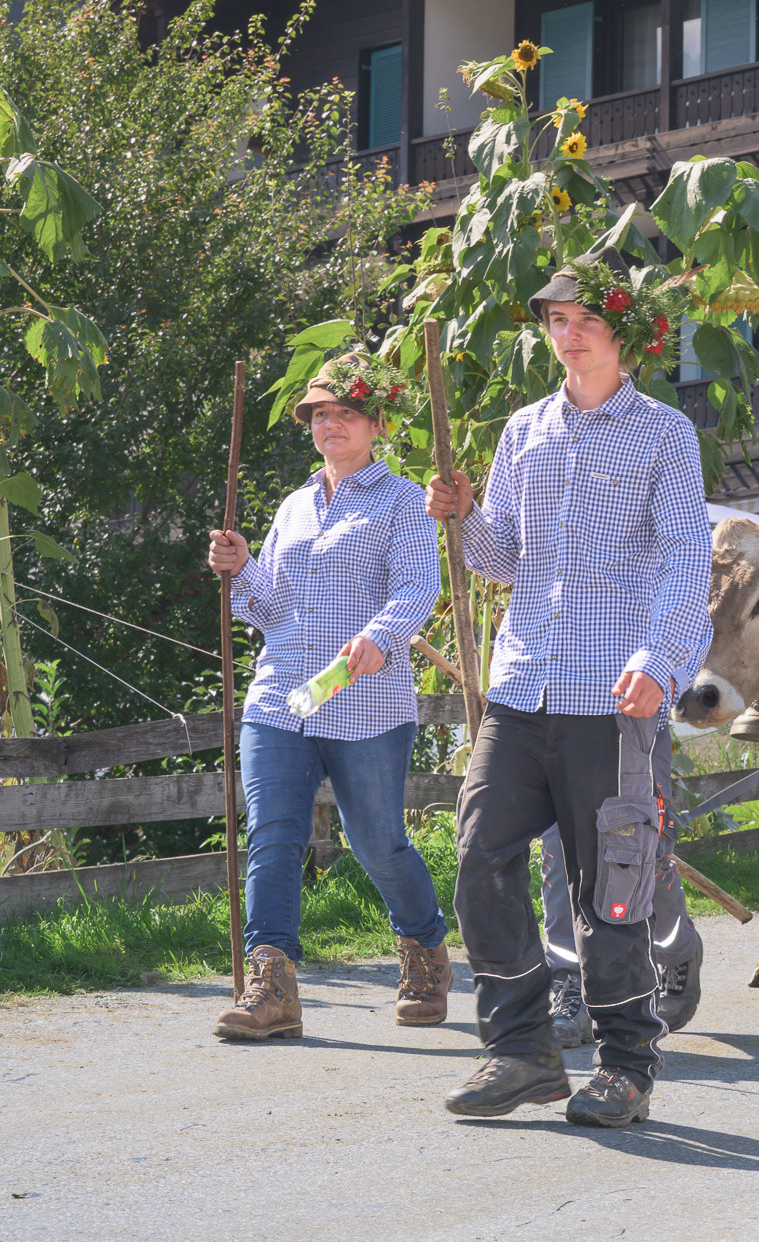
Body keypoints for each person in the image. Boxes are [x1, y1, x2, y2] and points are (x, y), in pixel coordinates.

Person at [424, 266, 712, 1129]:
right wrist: (464, 515)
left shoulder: (664, 434)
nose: (569, 331)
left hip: (615, 697)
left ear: (624, 334)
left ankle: (628, 1065)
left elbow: (683, 565)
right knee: (481, 856)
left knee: (610, 888)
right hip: (523, 685)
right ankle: (521, 1050)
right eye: (556, 318)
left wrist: (661, 660)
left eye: (586, 317)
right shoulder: (526, 431)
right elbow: (501, 557)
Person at [207, 353, 448, 1041]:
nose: (330, 423)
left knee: (377, 843)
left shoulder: (401, 500)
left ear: (375, 423)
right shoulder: (294, 504)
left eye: (344, 412)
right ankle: (272, 983)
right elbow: (273, 607)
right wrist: (240, 565)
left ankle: (425, 949)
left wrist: (379, 635)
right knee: (273, 836)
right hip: (283, 695)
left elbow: (416, 589)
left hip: (365, 700)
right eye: (320, 413)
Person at [537, 819, 701, 1044]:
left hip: (632, 786)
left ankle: (678, 951)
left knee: (643, 862)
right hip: (561, 784)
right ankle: (571, 986)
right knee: (559, 853)